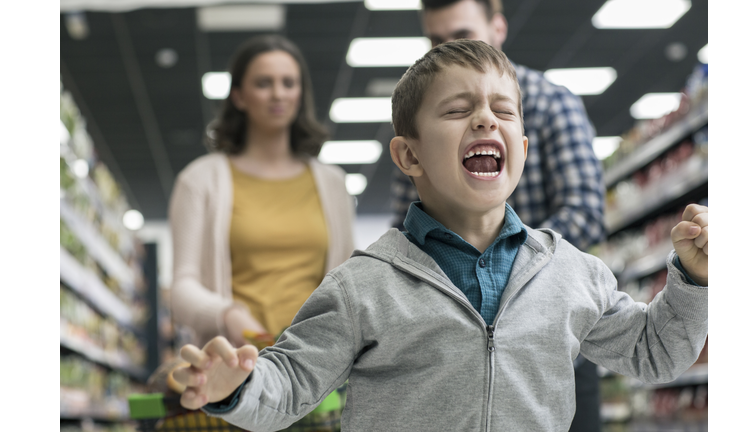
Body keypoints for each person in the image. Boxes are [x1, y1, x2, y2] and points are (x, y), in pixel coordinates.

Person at [170, 40, 708, 432]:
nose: (485, 121)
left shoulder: (571, 272)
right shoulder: (364, 286)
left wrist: (694, 279)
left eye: (503, 110)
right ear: (409, 155)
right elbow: (288, 384)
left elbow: (655, 351)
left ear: (522, 145)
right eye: (457, 110)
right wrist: (236, 388)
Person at [389, 1, 607, 428]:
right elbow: (406, 223)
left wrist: (507, 261)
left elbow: (585, 209)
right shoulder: (422, 120)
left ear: (499, 28)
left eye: (463, 34)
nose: (449, 48)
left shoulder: (549, 102)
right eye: (437, 40)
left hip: (553, 343)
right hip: (452, 350)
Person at [168, 34, 355, 348]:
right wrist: (227, 315)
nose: (278, 94)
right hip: (235, 365)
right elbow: (181, 289)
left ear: (300, 93)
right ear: (239, 97)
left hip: (319, 370)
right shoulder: (200, 181)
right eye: (263, 83)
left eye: (288, 83)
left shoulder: (333, 183)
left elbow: (350, 280)